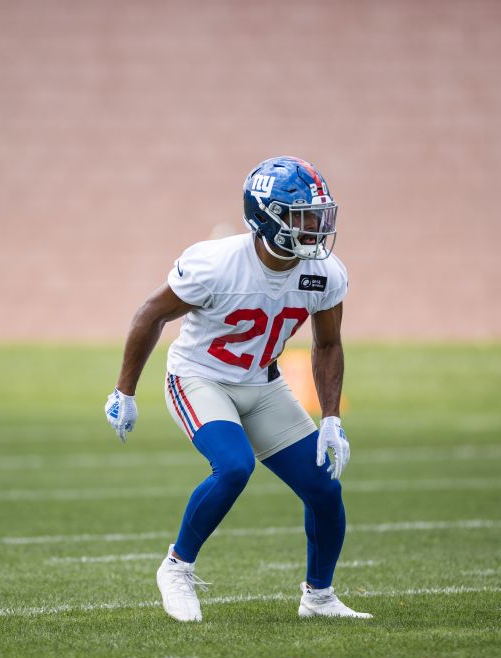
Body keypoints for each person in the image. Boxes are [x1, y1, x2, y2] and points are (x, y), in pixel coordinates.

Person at [103, 156, 371, 622]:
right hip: (199, 376)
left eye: (318, 214)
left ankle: (319, 596)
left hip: (263, 383)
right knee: (233, 466)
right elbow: (151, 314)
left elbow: (327, 343)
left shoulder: (324, 272)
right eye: (302, 215)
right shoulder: (217, 263)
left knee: (324, 488)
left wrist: (331, 418)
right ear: (266, 216)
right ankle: (177, 567)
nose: (314, 226)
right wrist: (124, 390)